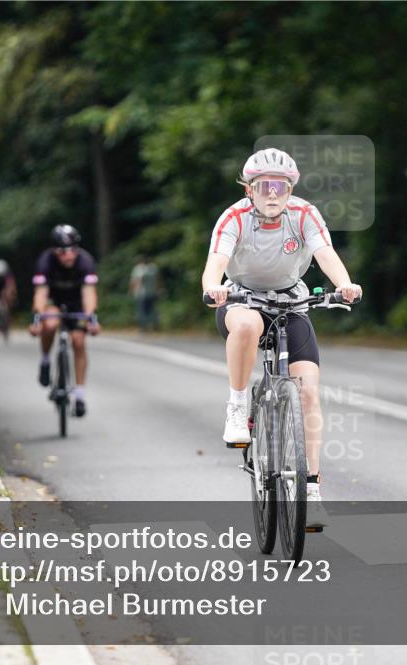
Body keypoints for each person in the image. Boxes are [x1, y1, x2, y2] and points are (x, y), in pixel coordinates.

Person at [201, 148, 363, 527]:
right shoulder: (234, 218)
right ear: (249, 189)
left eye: (281, 186)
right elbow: (216, 265)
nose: (272, 194)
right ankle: (239, 406)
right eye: (263, 186)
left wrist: (344, 284)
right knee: (245, 326)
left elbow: (325, 253)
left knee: (307, 392)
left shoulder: (305, 214)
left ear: (290, 189)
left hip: (293, 301)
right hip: (243, 298)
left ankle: (311, 489)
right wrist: (214, 289)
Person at [28, 225, 101, 417]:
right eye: (62, 251)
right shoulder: (45, 261)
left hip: (76, 302)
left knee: (78, 341)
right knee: (50, 324)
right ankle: (45, 360)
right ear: (54, 251)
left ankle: (80, 395)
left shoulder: (85, 261)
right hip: (54, 300)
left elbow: (89, 293)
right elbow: (41, 294)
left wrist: (92, 317)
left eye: (72, 250)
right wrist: (37, 318)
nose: (68, 256)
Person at [129, 255, 161, 332]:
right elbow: (158, 279)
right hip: (152, 292)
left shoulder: (138, 269)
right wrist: (158, 289)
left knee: (142, 311)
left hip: (141, 293)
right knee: (152, 310)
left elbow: (136, 281)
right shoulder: (153, 268)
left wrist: (132, 290)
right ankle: (154, 326)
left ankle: (143, 327)